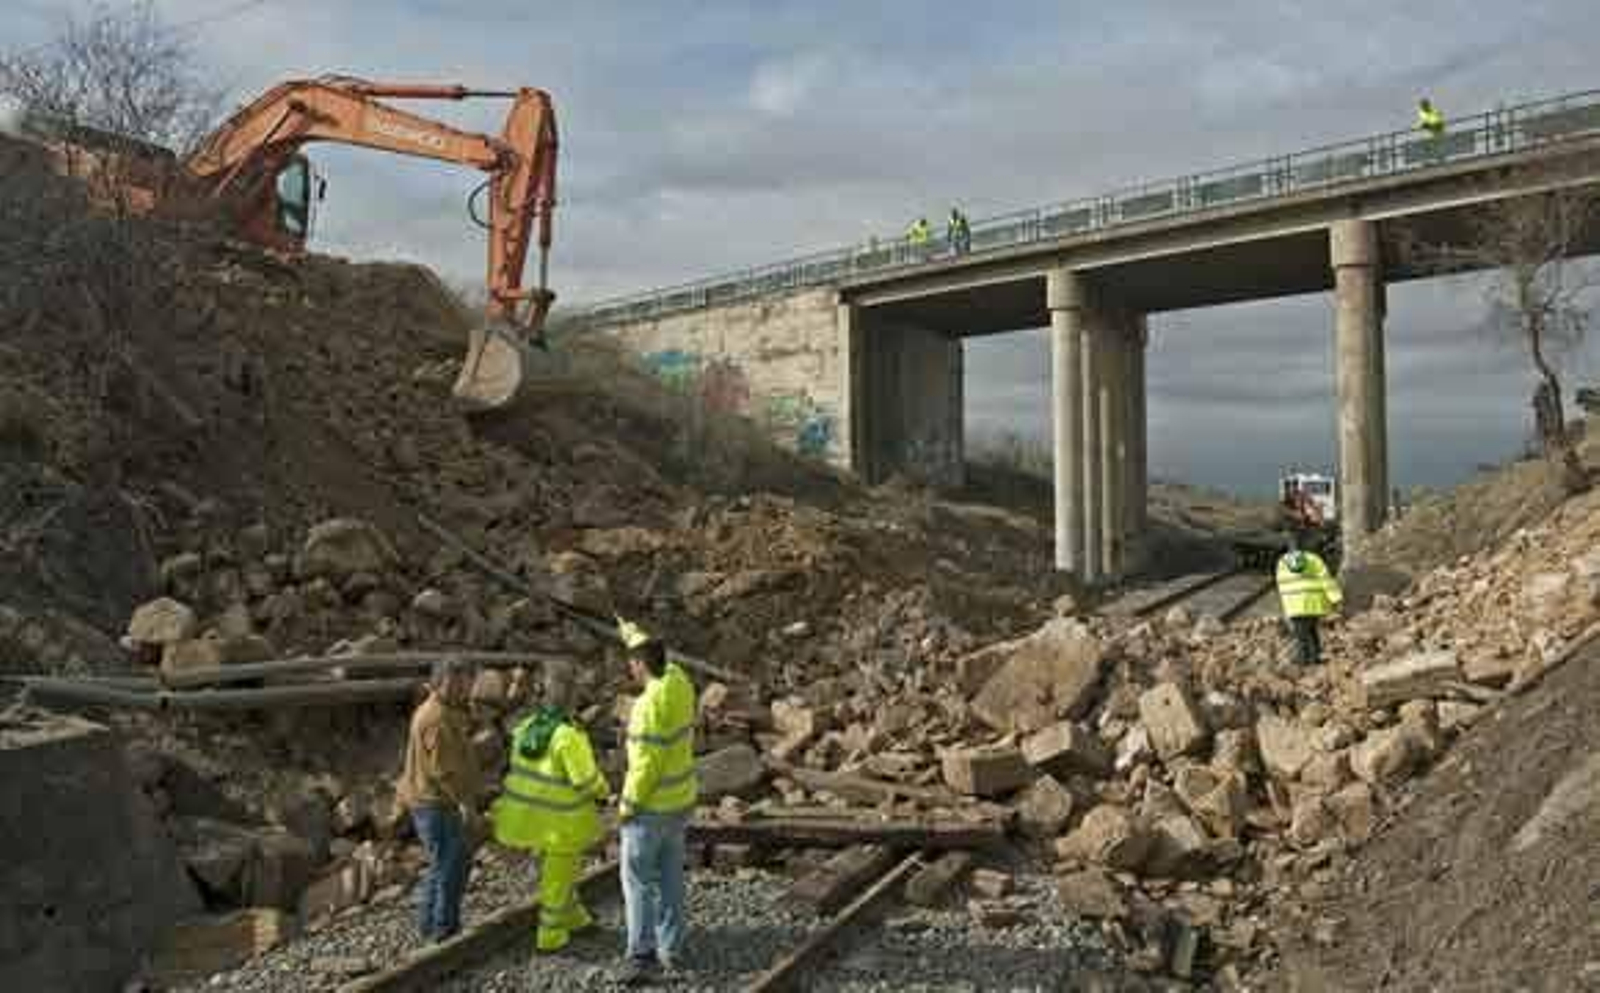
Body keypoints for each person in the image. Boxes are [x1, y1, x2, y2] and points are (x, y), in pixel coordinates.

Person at [489, 664, 610, 954]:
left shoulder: (526, 727)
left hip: (529, 818)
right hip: (562, 823)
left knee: (563, 872)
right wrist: (604, 792)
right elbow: (585, 780)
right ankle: (551, 934)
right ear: (573, 696)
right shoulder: (568, 736)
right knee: (559, 876)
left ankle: (575, 917)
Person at [615, 617, 698, 986]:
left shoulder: (647, 707)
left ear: (640, 664)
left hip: (650, 808)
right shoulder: (679, 681)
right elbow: (660, 656)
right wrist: (631, 632)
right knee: (670, 877)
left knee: (637, 882)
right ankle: (672, 948)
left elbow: (645, 767)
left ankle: (641, 955)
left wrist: (627, 806)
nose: (629, 669)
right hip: (680, 803)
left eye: (632, 662)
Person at [396, 657, 483, 943]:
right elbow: (445, 772)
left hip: (431, 801)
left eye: (465, 683)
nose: (463, 689)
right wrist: (465, 805)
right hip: (437, 804)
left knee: (441, 864)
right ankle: (444, 929)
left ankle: (430, 925)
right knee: (450, 866)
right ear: (442, 681)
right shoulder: (437, 719)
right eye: (457, 683)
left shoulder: (441, 710)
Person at [1275, 537, 1343, 665]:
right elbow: (1326, 581)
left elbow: (1281, 585)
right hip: (1314, 604)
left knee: (1301, 635)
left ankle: (1303, 659)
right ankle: (1315, 657)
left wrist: (1285, 605)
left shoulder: (1282, 563)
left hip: (1294, 606)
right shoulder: (1313, 560)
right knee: (1311, 631)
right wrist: (1336, 599)